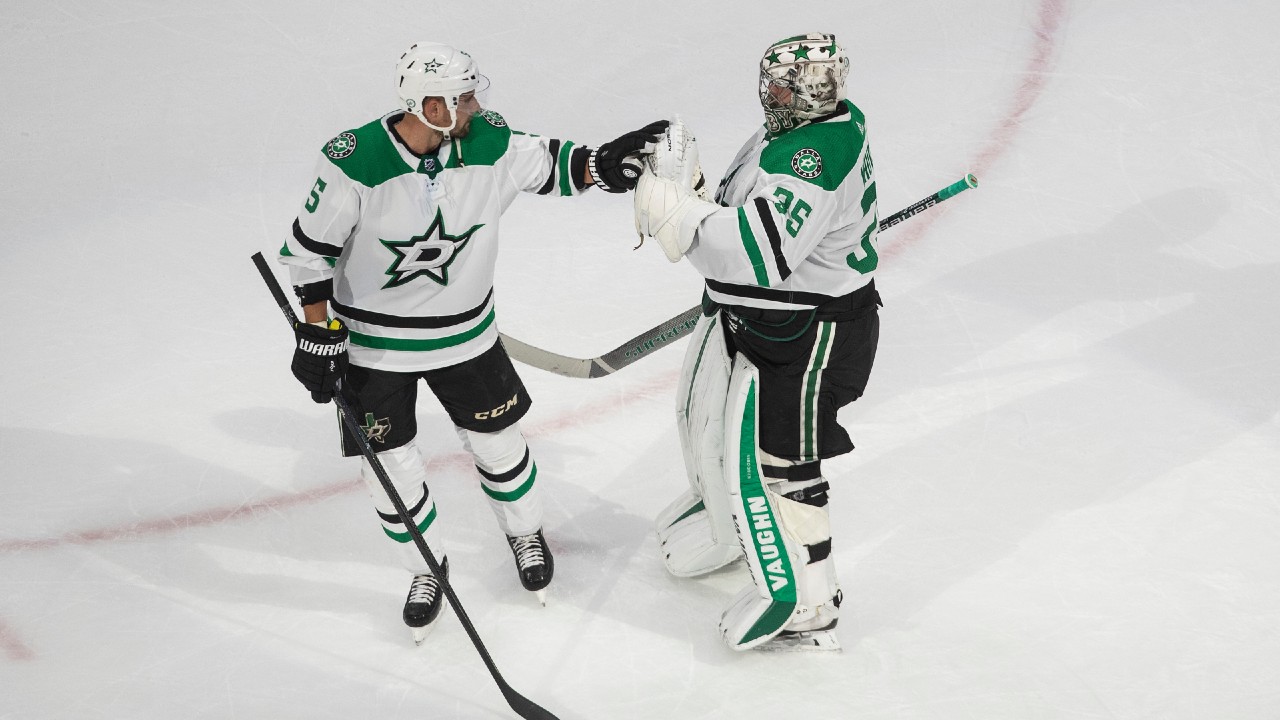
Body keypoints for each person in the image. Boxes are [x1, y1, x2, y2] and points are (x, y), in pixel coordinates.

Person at [279, 41, 666, 644]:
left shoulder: (487, 140)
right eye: (461, 98)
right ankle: (425, 567)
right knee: (390, 470)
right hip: (375, 350)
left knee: (499, 444)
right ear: (425, 104)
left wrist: (605, 165)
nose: (474, 105)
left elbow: (556, 164)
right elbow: (309, 253)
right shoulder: (354, 161)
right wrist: (318, 331)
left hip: (467, 337)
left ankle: (525, 531)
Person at [634, 33, 880, 651]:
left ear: (804, 91)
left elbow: (755, 255)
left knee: (783, 461)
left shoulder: (812, 156)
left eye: (778, 85)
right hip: (774, 322)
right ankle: (726, 528)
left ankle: (812, 599)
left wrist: (680, 216)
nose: (767, 94)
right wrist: (694, 199)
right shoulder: (800, 132)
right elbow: (746, 211)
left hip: (812, 334)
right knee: (716, 426)